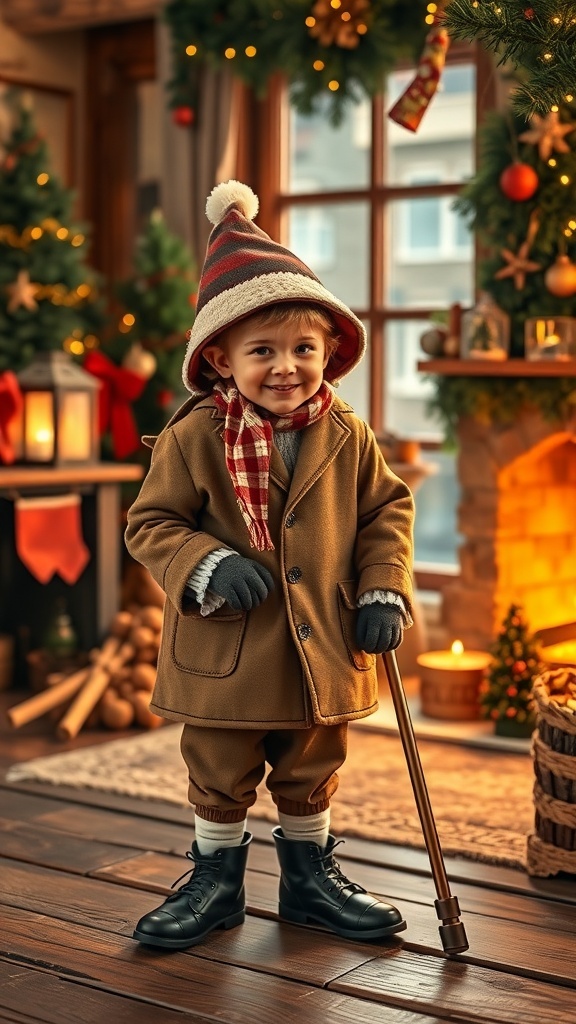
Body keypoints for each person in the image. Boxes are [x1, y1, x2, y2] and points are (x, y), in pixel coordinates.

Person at [125, 179, 415, 950]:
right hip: (229, 647)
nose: (286, 368)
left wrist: (384, 587)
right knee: (220, 764)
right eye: (263, 351)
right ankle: (215, 882)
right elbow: (150, 523)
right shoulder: (195, 436)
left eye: (303, 350)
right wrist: (206, 562)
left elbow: (387, 509)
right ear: (219, 357)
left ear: (329, 352)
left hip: (320, 638)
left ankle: (308, 878)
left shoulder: (346, 434)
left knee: (312, 758)